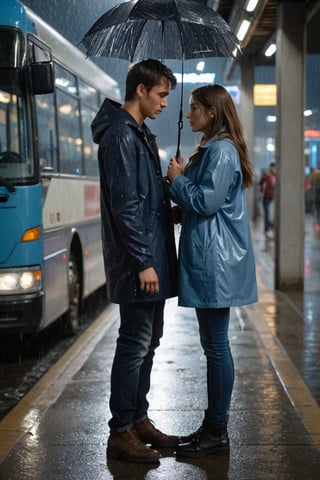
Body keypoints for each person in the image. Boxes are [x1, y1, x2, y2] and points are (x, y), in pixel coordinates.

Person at [91, 59, 179, 464]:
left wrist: (171, 187)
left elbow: (143, 197)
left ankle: (139, 418)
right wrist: (144, 261)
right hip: (139, 261)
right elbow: (126, 205)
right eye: (161, 94)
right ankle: (121, 430)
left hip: (152, 256)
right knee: (134, 344)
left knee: (149, 342)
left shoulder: (140, 135)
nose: (165, 103)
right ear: (140, 90)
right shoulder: (121, 136)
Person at [166, 84, 258, 458]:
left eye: (193, 108)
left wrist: (177, 181)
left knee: (217, 347)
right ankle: (212, 425)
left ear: (212, 113)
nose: (188, 115)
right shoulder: (212, 150)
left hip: (216, 261)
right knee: (213, 346)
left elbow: (206, 201)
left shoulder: (220, 151)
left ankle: (217, 430)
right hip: (211, 258)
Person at [258, 162, 276, 238]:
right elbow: (260, 183)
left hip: (273, 197)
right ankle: (268, 227)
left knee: (270, 213)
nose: (273, 169)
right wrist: (261, 189)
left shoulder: (275, 176)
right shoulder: (267, 175)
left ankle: (270, 225)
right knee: (267, 213)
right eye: (272, 167)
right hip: (266, 197)